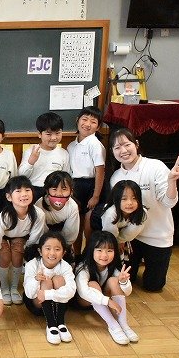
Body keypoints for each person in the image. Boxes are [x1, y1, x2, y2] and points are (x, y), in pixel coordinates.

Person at [109, 128, 179, 292]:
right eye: (117, 147)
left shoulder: (155, 166)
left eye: (127, 144)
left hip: (157, 236)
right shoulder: (116, 177)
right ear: (112, 151)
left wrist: (172, 181)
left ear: (136, 144)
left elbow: (169, 202)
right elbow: (118, 213)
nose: (123, 151)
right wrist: (120, 239)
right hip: (131, 237)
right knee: (126, 280)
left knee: (153, 286)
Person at [0, 176, 46, 306]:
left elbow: (35, 237)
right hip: (2, 237)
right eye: (18, 191)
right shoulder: (6, 216)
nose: (24, 194)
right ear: (9, 197)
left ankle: (14, 288)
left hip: (21, 237)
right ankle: (4, 287)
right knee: (5, 255)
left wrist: (26, 249)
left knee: (17, 253)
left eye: (27, 190)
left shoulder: (38, 214)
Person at [75, 231, 137, 345]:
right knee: (93, 284)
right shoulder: (83, 267)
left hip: (104, 300)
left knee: (114, 281)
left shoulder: (114, 267)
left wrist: (123, 282)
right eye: (99, 250)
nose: (104, 255)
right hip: (85, 302)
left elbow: (127, 292)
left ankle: (123, 324)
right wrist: (107, 301)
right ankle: (113, 326)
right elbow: (83, 292)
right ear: (91, 250)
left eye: (109, 251)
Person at [23, 231, 76, 345]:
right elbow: (29, 294)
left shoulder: (65, 266)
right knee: (46, 281)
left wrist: (47, 294)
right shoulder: (32, 264)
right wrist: (36, 280)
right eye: (48, 248)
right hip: (37, 304)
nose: (52, 253)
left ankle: (60, 323)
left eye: (57, 249)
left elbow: (71, 290)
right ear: (40, 251)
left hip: (58, 306)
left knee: (59, 279)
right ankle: (51, 324)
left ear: (63, 253)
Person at [67, 106, 105, 255]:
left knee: (89, 227)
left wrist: (95, 196)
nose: (88, 124)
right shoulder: (71, 145)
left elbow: (100, 171)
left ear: (98, 126)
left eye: (93, 122)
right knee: (76, 225)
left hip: (92, 185)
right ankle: (77, 255)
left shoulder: (94, 144)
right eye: (85, 119)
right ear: (77, 120)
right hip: (75, 186)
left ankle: (88, 256)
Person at [19, 112, 70, 201]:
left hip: (54, 193)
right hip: (33, 190)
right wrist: (31, 162)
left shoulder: (63, 153)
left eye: (57, 133)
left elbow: (66, 177)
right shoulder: (31, 151)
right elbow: (22, 176)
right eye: (48, 134)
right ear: (39, 134)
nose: (53, 138)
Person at [34, 171, 80, 259]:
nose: (59, 194)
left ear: (71, 192)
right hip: (43, 240)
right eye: (54, 189)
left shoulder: (73, 206)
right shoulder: (39, 205)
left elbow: (70, 234)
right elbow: (39, 232)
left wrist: (61, 248)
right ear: (47, 191)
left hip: (63, 241)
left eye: (64, 189)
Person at [98, 180, 147, 260]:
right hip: (100, 227)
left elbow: (132, 232)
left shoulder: (142, 213)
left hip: (120, 233)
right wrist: (116, 243)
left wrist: (121, 241)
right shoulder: (110, 213)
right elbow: (109, 235)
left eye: (134, 198)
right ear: (115, 199)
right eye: (124, 199)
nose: (130, 203)